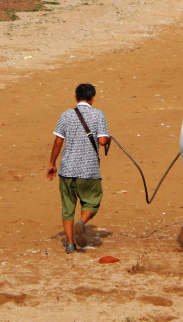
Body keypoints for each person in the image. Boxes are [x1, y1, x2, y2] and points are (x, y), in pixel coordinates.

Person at [47, 83, 110, 254]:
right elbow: (103, 141)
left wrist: (52, 163)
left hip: (67, 169)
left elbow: (58, 142)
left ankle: (69, 243)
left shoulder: (66, 116)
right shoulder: (98, 115)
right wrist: (109, 139)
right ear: (93, 98)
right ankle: (81, 222)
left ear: (76, 97)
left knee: (67, 207)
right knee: (92, 200)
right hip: (89, 170)